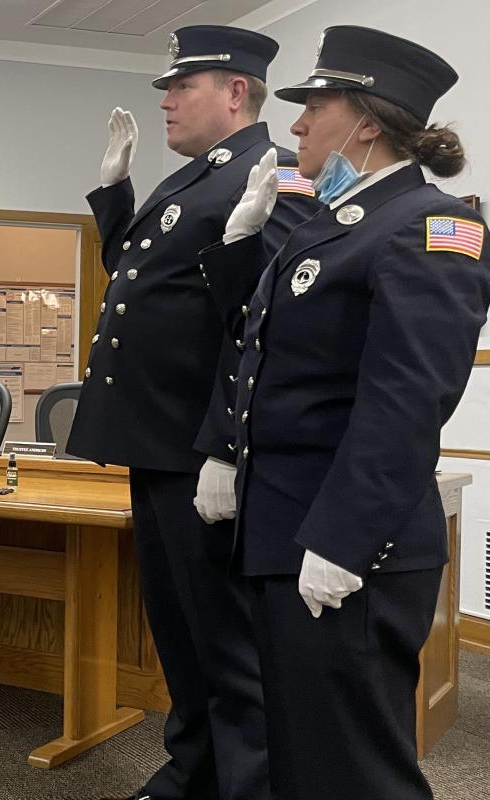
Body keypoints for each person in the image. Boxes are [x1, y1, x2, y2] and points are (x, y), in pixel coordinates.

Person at [205, 25, 490, 800]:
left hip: (348, 547)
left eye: (315, 105)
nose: (295, 123)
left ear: (365, 121)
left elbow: (405, 403)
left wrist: (343, 540)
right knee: (304, 755)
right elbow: (273, 352)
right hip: (285, 533)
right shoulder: (337, 226)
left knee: (357, 771)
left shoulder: (432, 228)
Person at [65, 25, 320, 800]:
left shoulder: (272, 176)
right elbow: (150, 276)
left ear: (236, 92)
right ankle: (193, 771)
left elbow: (267, 326)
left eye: (183, 86)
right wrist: (115, 196)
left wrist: (227, 449)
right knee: (179, 634)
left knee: (224, 643)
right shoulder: (203, 177)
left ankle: (245, 784)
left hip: (204, 450)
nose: (168, 101)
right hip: (160, 440)